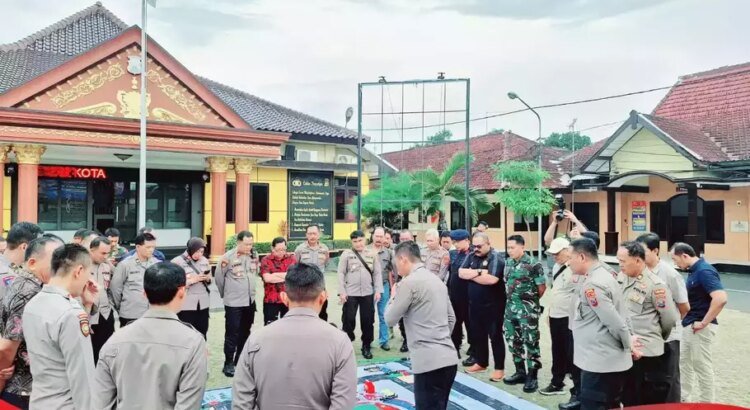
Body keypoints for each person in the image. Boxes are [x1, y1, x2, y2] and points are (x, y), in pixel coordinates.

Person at [233, 262, 356, 410]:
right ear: (323, 297)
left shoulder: (256, 339)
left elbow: (241, 402)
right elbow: (343, 404)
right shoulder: (340, 341)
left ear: (284, 298)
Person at [93, 262, 208, 409]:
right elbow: (188, 405)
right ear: (181, 291)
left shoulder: (115, 339)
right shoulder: (193, 342)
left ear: (144, 294)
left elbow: (101, 402)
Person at [22, 244, 98, 409]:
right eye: (89, 273)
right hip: (64, 404)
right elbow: (82, 377)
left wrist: (86, 305)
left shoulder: (33, 304)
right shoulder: (71, 312)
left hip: (40, 401)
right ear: (78, 271)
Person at [385, 241, 458, 409]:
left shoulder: (408, 283)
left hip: (428, 363)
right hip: (448, 358)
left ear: (403, 259)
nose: (396, 267)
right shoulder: (437, 280)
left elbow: (389, 319)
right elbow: (451, 319)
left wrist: (394, 294)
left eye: (396, 262)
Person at [568, 238, 633, 410]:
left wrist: (630, 345)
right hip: (600, 360)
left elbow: (615, 322)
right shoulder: (600, 276)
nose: (568, 262)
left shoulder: (594, 284)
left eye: (570, 258)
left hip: (600, 363)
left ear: (582, 257)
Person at [0, 236, 63, 408]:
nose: (61, 267)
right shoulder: (28, 292)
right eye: (56, 261)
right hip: (22, 389)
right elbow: (7, 347)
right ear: (33, 263)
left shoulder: (32, 285)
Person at [617, 241, 678, 406]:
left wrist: (655, 338)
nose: (620, 264)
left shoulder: (655, 285)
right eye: (618, 260)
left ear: (637, 260)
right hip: (627, 349)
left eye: (623, 261)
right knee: (628, 397)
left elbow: (669, 319)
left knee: (646, 399)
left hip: (647, 352)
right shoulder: (622, 277)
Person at [670, 242, 727, 403]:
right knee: (684, 363)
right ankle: (683, 398)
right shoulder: (694, 271)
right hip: (689, 325)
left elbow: (720, 298)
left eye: (675, 259)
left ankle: (707, 403)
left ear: (684, 256)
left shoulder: (704, 271)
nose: (675, 263)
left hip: (699, 326)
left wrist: (703, 322)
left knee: (701, 366)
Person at [636, 233, 690, 403]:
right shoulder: (639, 271)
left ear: (655, 251)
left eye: (643, 252)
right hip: (646, 336)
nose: (639, 256)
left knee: (668, 379)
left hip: (668, 337)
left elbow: (684, 307)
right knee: (648, 379)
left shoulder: (669, 274)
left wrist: (669, 329)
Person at [458, 232, 506, 382]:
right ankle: (481, 363)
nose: (476, 249)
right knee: (478, 335)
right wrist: (479, 272)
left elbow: (492, 279)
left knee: (495, 336)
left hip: (493, 306)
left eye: (479, 246)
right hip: (474, 304)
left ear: (488, 244)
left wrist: (471, 275)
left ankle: (499, 369)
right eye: (474, 246)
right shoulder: (471, 255)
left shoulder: (495, 257)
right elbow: (461, 273)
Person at [502, 235, 546, 393]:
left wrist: (529, 302)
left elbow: (541, 288)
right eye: (508, 247)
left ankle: (532, 377)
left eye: (512, 247)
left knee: (531, 341)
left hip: (527, 311)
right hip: (510, 309)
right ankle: (520, 372)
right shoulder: (508, 263)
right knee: (513, 340)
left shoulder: (534, 264)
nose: (510, 250)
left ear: (522, 247)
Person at [216, 230, 259, 378]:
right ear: (238, 242)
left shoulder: (254, 255)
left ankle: (240, 359)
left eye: (251, 244)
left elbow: (254, 274)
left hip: (249, 301)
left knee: (245, 331)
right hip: (234, 303)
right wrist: (226, 295)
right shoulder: (227, 258)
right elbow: (219, 279)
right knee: (232, 333)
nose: (249, 247)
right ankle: (228, 363)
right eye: (246, 244)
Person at [337, 230, 382, 360]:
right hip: (350, 293)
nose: (358, 244)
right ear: (352, 242)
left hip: (367, 293)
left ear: (365, 239)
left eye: (360, 240)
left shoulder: (372, 254)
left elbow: (377, 273)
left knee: (368, 321)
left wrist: (378, 290)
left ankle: (366, 346)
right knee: (348, 320)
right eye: (355, 241)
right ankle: (347, 343)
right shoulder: (346, 254)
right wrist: (342, 292)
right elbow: (340, 273)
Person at [540, 237, 575, 396]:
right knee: (557, 349)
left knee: (571, 352)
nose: (555, 257)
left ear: (568, 251)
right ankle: (557, 382)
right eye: (553, 254)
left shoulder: (575, 268)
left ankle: (576, 388)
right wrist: (549, 311)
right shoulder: (556, 267)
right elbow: (556, 291)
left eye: (558, 253)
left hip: (569, 317)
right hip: (556, 314)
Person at [110, 232, 159, 327]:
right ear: (138, 247)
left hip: (152, 314)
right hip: (130, 314)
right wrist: (121, 306)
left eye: (153, 247)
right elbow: (115, 288)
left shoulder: (157, 264)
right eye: (148, 247)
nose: (151, 250)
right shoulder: (125, 265)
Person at [171, 237, 211, 339]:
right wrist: (192, 280)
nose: (199, 254)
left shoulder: (204, 260)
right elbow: (172, 283)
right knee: (186, 334)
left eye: (202, 252)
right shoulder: (177, 262)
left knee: (202, 332)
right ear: (190, 249)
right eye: (197, 251)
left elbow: (210, 281)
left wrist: (207, 279)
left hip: (203, 304)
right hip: (186, 304)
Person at [447, 230, 475, 364]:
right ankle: (455, 347)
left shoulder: (474, 254)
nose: (456, 244)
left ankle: (474, 349)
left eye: (458, 242)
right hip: (454, 295)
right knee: (455, 323)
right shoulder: (452, 254)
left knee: (471, 323)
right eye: (454, 242)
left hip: (469, 296)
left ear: (467, 240)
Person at [294, 224, 330, 321]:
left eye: (314, 233)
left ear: (319, 234)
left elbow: (326, 264)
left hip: (320, 286)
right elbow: (296, 266)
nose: (312, 236)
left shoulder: (324, 249)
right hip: (304, 286)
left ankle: (321, 330)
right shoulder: (300, 249)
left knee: (322, 311)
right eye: (310, 234)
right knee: (305, 312)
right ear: (306, 235)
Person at [88, 236, 115, 363]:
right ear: (92, 250)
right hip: (89, 314)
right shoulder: (82, 266)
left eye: (108, 253)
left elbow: (111, 288)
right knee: (91, 351)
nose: (106, 256)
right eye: (103, 253)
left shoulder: (107, 267)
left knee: (107, 350)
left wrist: (111, 305)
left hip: (106, 313)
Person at [0, 222, 43, 300]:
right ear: (24, 247)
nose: (39, 251)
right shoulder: (6, 275)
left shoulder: (11, 268)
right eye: (37, 247)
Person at [367, 227, 394, 351]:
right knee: (368, 315)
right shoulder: (365, 250)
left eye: (381, 236)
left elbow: (391, 271)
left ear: (384, 238)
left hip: (384, 286)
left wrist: (393, 287)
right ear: (372, 236)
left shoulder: (388, 253)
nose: (378, 239)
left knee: (384, 315)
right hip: (368, 287)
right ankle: (368, 341)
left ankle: (384, 341)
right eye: (376, 236)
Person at [260, 237, 296, 325]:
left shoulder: (292, 258)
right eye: (278, 250)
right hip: (271, 300)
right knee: (270, 327)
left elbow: (294, 276)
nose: (281, 252)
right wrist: (287, 276)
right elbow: (267, 278)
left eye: (283, 249)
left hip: (289, 300)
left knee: (289, 326)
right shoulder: (266, 260)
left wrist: (274, 274)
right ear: (272, 248)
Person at [394, 229, 414, 352]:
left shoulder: (418, 253)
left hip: (415, 288)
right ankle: (406, 340)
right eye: (402, 239)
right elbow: (392, 271)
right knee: (402, 316)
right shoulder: (395, 253)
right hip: (401, 287)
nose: (404, 241)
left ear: (412, 239)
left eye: (407, 239)